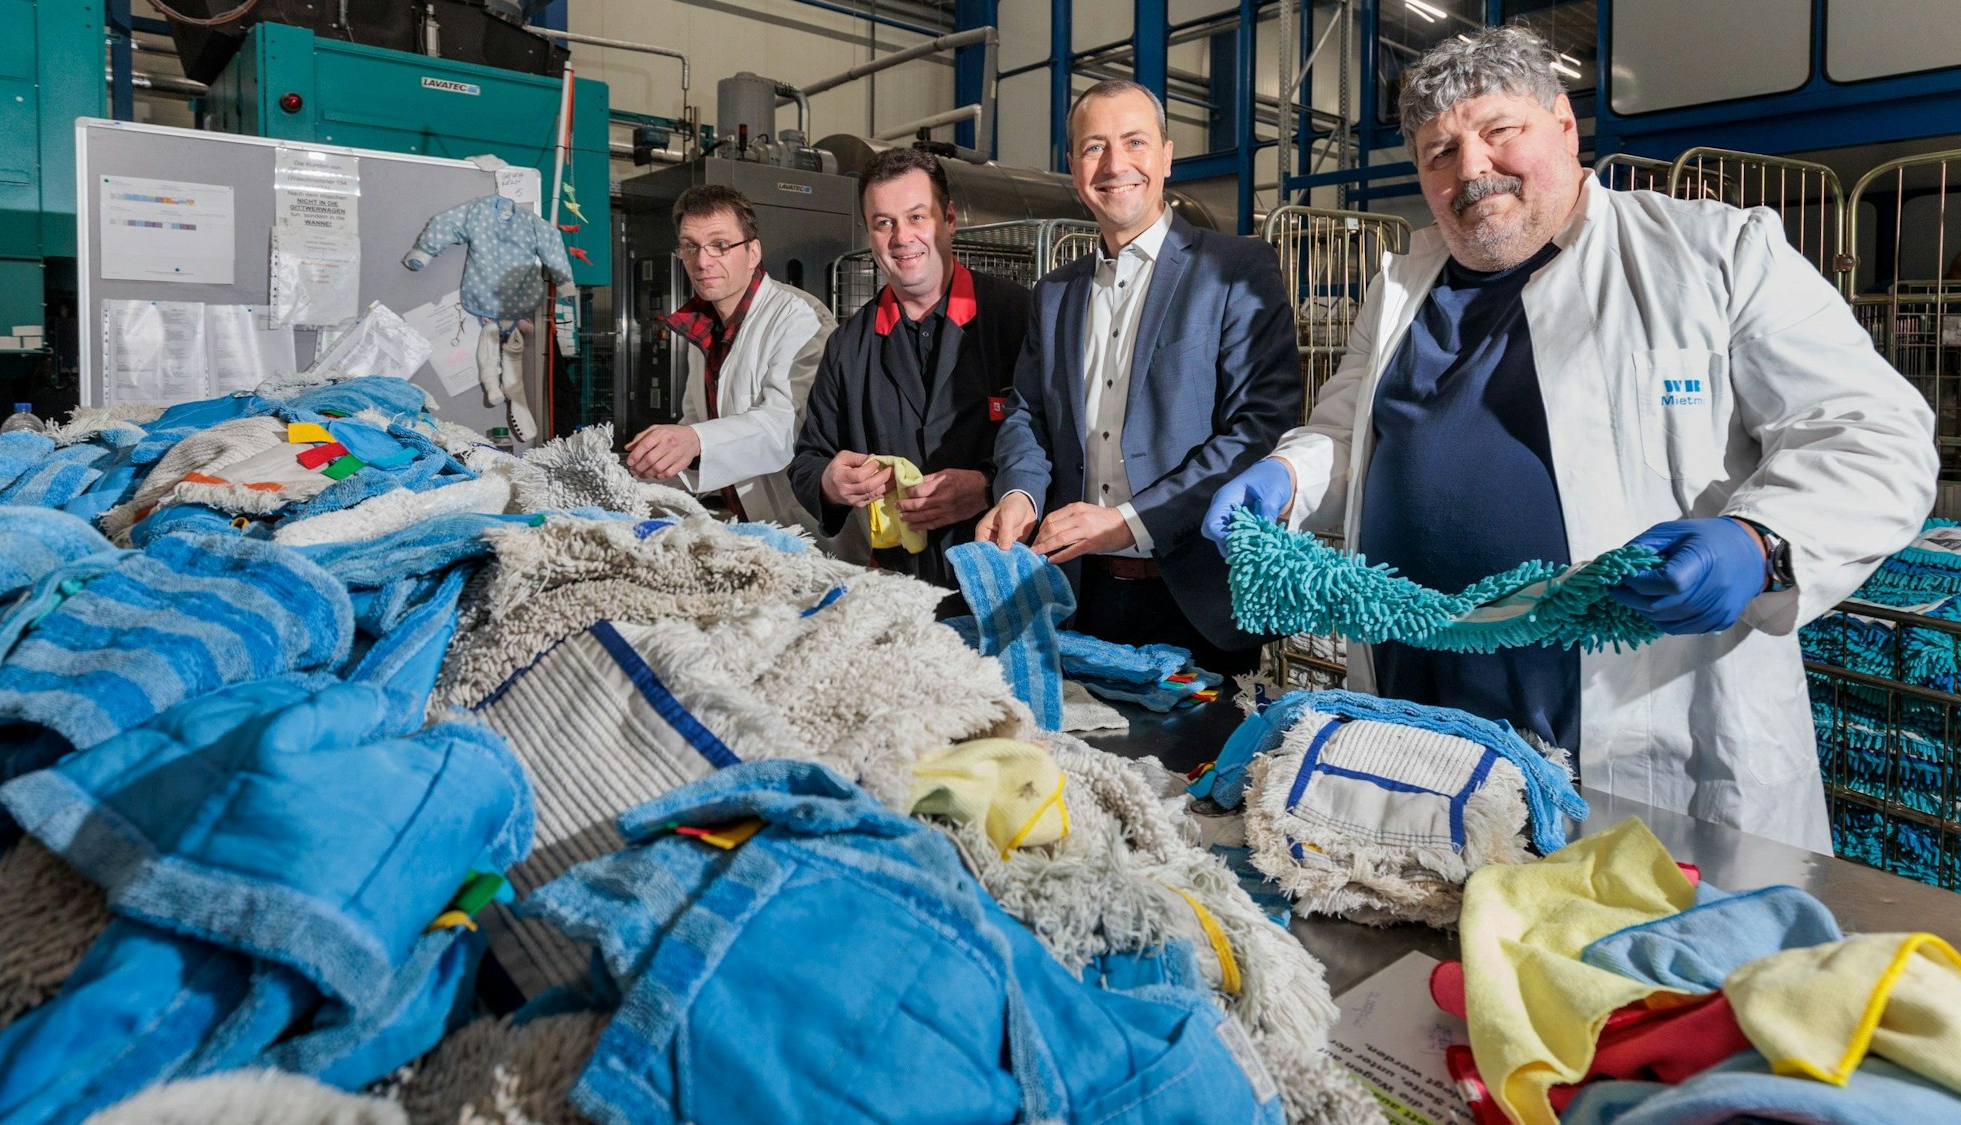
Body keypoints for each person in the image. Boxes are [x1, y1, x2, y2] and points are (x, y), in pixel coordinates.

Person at [1202, 26, 1937, 850]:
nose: (1470, 168)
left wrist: (1760, 542)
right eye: (1439, 151)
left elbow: (1875, 430)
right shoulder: (1401, 291)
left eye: (1499, 131)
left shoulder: (1712, 254)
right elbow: (1344, 430)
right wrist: (1286, 478)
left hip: (1633, 734)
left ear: (1563, 124)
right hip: (1426, 724)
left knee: (1636, 967)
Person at [975, 80, 1303, 675]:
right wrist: (1019, 492)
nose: (1115, 164)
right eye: (1094, 147)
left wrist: (1127, 523)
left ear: (1167, 156)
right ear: (1073, 166)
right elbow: (1027, 412)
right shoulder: (1054, 293)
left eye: (1134, 142)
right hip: (1081, 595)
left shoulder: (1235, 270)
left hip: (1199, 597)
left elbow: (1259, 426)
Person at [789, 146, 1031, 604]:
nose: (901, 237)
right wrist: (831, 484)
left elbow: (1065, 445)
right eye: (884, 223)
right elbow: (807, 461)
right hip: (905, 591)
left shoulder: (1017, 317)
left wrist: (988, 486)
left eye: (917, 217)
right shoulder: (848, 344)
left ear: (950, 219)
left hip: (1008, 577)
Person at [625, 185, 834, 535]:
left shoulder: (799, 317)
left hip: (808, 526)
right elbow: (697, 420)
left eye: (720, 245)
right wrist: (651, 474)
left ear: (753, 252)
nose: (703, 261)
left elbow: (786, 427)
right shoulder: (706, 327)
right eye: (691, 247)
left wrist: (694, 441)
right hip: (750, 528)